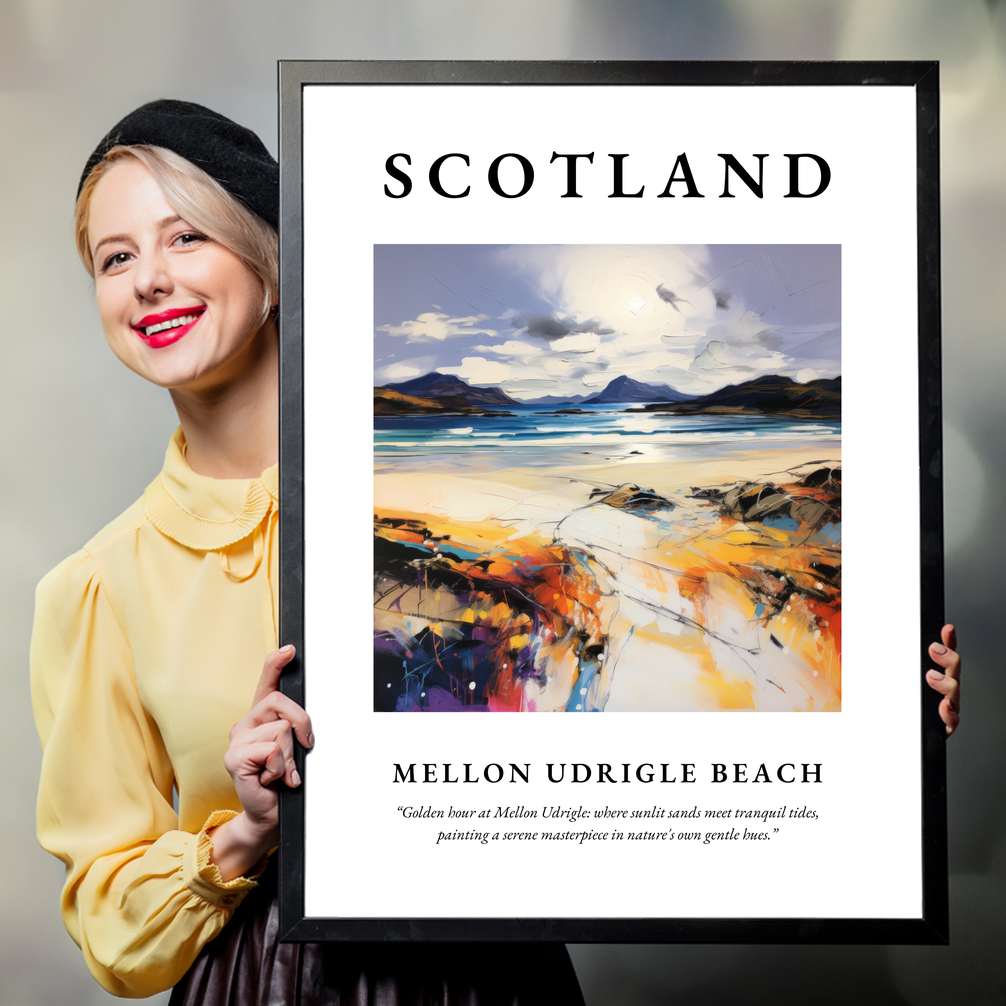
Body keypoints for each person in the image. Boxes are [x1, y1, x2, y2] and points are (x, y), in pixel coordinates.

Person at [30, 100, 585, 1004]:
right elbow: (110, 924)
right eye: (116, 257)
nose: (148, 281)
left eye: (186, 239)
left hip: (492, 972)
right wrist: (245, 832)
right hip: (263, 981)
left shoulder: (454, 502)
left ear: (273, 264)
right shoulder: (97, 587)